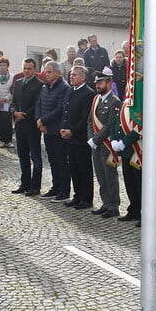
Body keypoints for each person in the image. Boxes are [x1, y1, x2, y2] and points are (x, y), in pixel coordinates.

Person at [87, 67, 123, 218]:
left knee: (110, 175)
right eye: (97, 83)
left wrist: (95, 139)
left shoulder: (115, 101)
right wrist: (91, 138)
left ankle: (113, 206)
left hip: (107, 145)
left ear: (109, 83)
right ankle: (105, 203)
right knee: (100, 175)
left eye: (100, 82)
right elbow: (90, 121)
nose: (97, 85)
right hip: (96, 145)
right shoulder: (96, 99)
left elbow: (110, 125)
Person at [60, 66, 97, 209]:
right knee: (73, 168)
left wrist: (72, 131)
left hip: (81, 137)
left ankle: (86, 199)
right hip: (69, 136)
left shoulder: (88, 93)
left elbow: (85, 118)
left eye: (74, 75)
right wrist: (63, 128)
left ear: (83, 77)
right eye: (71, 74)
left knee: (84, 169)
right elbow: (66, 111)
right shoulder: (70, 90)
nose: (71, 77)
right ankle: (77, 195)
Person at [36, 61, 71, 200]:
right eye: (45, 71)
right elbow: (39, 104)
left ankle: (64, 191)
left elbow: (60, 109)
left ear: (57, 72)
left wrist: (43, 120)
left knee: (61, 161)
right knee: (52, 161)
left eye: (49, 72)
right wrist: (39, 121)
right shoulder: (45, 86)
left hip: (57, 130)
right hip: (46, 130)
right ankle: (55, 187)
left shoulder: (64, 87)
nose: (46, 74)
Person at [110, 88, 144, 224]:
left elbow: (140, 127)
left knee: (140, 184)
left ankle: (143, 213)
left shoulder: (141, 105)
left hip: (137, 151)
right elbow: (115, 123)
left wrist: (124, 142)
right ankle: (133, 210)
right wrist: (113, 139)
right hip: (125, 151)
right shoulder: (124, 105)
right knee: (129, 183)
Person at [11, 59, 44, 196]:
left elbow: (37, 104)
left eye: (29, 68)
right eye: (25, 68)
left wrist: (23, 114)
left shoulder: (39, 84)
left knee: (35, 157)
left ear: (34, 69)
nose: (26, 71)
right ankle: (25, 184)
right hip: (19, 125)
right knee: (22, 155)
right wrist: (14, 112)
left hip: (31, 125)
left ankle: (35, 186)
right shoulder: (18, 83)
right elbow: (13, 101)